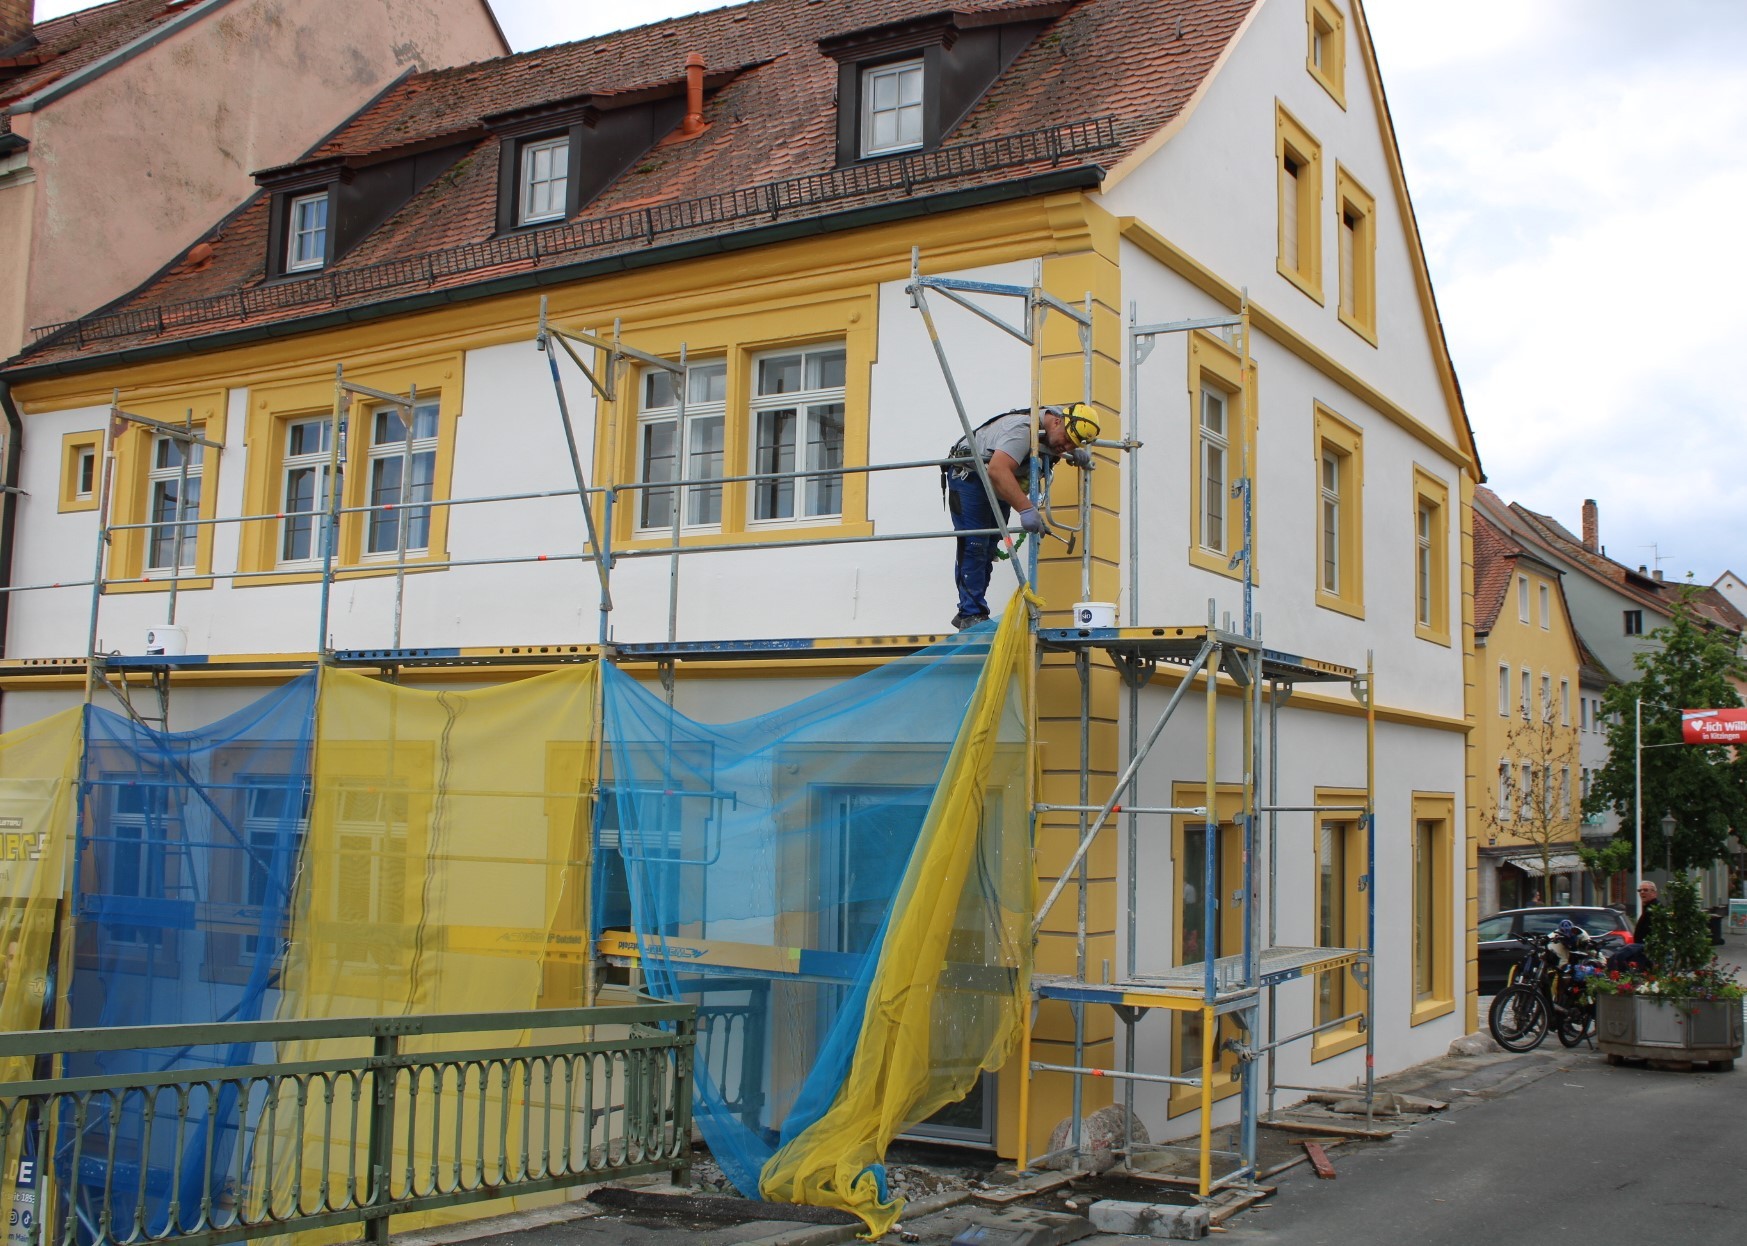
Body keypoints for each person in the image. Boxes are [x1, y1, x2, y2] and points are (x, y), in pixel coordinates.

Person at [943, 404, 1099, 630]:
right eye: (1066, 439)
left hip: (996, 484)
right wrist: (1026, 509)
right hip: (971, 477)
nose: (1064, 446)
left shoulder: (1052, 425)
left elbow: (1049, 441)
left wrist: (1071, 451)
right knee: (975, 544)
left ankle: (973, 611)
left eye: (1071, 444)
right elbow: (998, 469)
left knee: (988, 548)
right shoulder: (1022, 429)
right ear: (1057, 422)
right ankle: (971, 613)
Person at [1606, 880, 1659, 973]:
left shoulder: (1655, 909)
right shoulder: (1648, 908)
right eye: (1640, 890)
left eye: (1646, 890)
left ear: (1654, 893)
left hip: (1647, 949)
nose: (1642, 892)